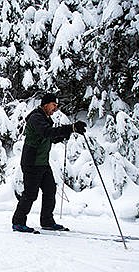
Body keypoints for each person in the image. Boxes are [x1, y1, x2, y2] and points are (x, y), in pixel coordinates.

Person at [12, 93, 86, 233]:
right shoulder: (36, 118)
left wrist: (67, 133)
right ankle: (18, 222)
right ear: (46, 104)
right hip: (31, 162)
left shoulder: (44, 118)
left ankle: (46, 221)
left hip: (42, 163)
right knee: (30, 194)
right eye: (54, 105)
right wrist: (70, 128)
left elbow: (49, 138)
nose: (55, 108)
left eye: (57, 106)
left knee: (50, 189)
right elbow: (46, 133)